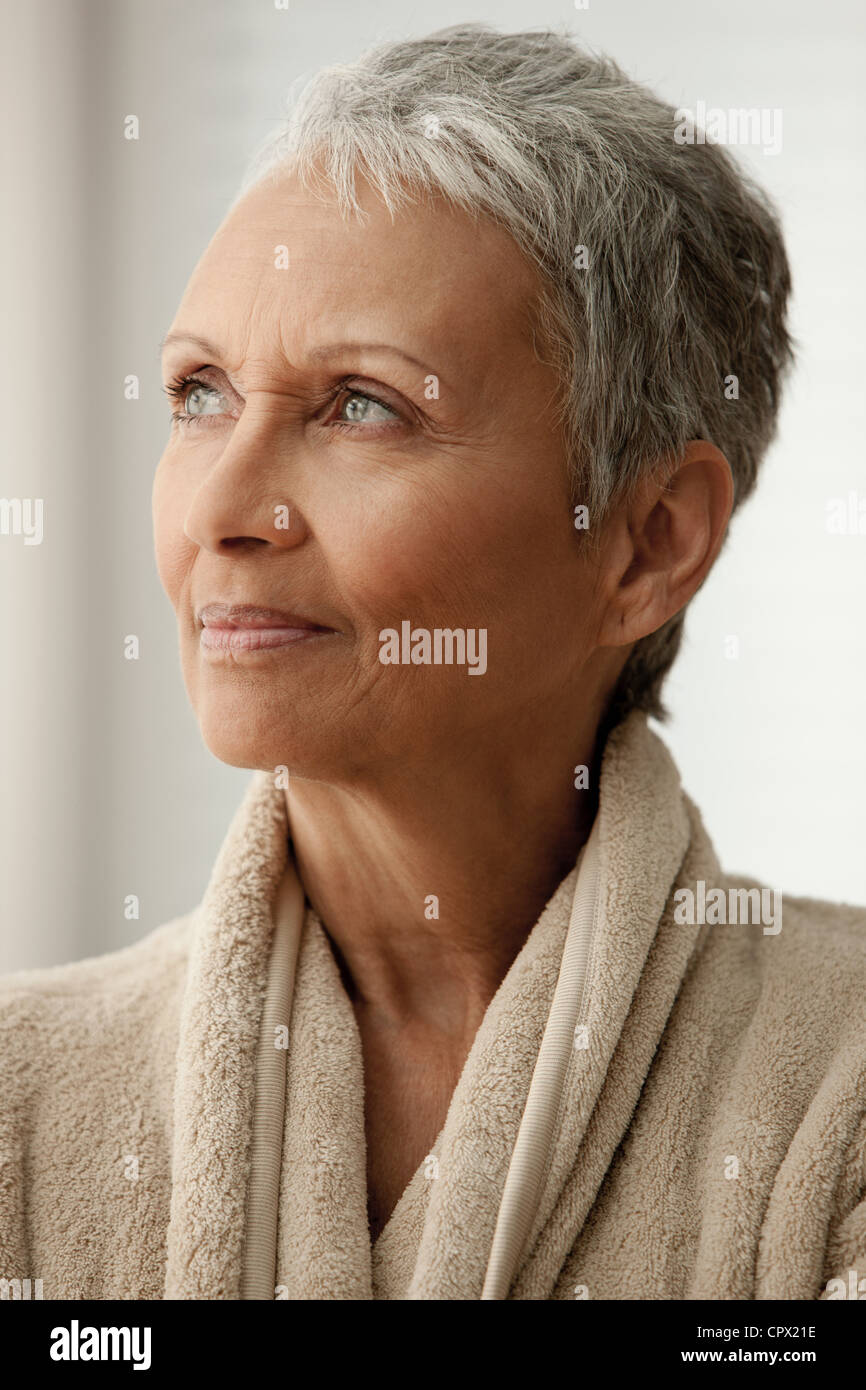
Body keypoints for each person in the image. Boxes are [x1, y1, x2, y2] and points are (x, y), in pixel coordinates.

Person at [2, 24, 864, 1301]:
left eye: (363, 404)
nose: (221, 508)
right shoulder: (23, 1101)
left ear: (646, 542)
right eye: (199, 393)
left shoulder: (835, 1097)